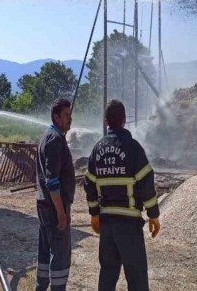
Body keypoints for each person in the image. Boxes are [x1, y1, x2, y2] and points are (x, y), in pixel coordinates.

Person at [84, 99, 161, 291]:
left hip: (107, 225)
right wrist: (154, 215)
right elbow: (146, 184)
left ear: (106, 121)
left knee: (108, 275)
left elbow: (89, 185)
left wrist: (94, 214)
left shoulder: (97, 149)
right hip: (129, 225)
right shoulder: (133, 148)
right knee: (136, 278)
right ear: (124, 120)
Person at [35, 98, 75, 291]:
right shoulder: (56, 140)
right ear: (56, 117)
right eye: (66, 115)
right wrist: (61, 212)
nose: (70, 119)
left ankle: (40, 287)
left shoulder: (46, 136)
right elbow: (52, 181)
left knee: (45, 253)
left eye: (70, 115)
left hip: (44, 205)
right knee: (60, 255)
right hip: (53, 206)